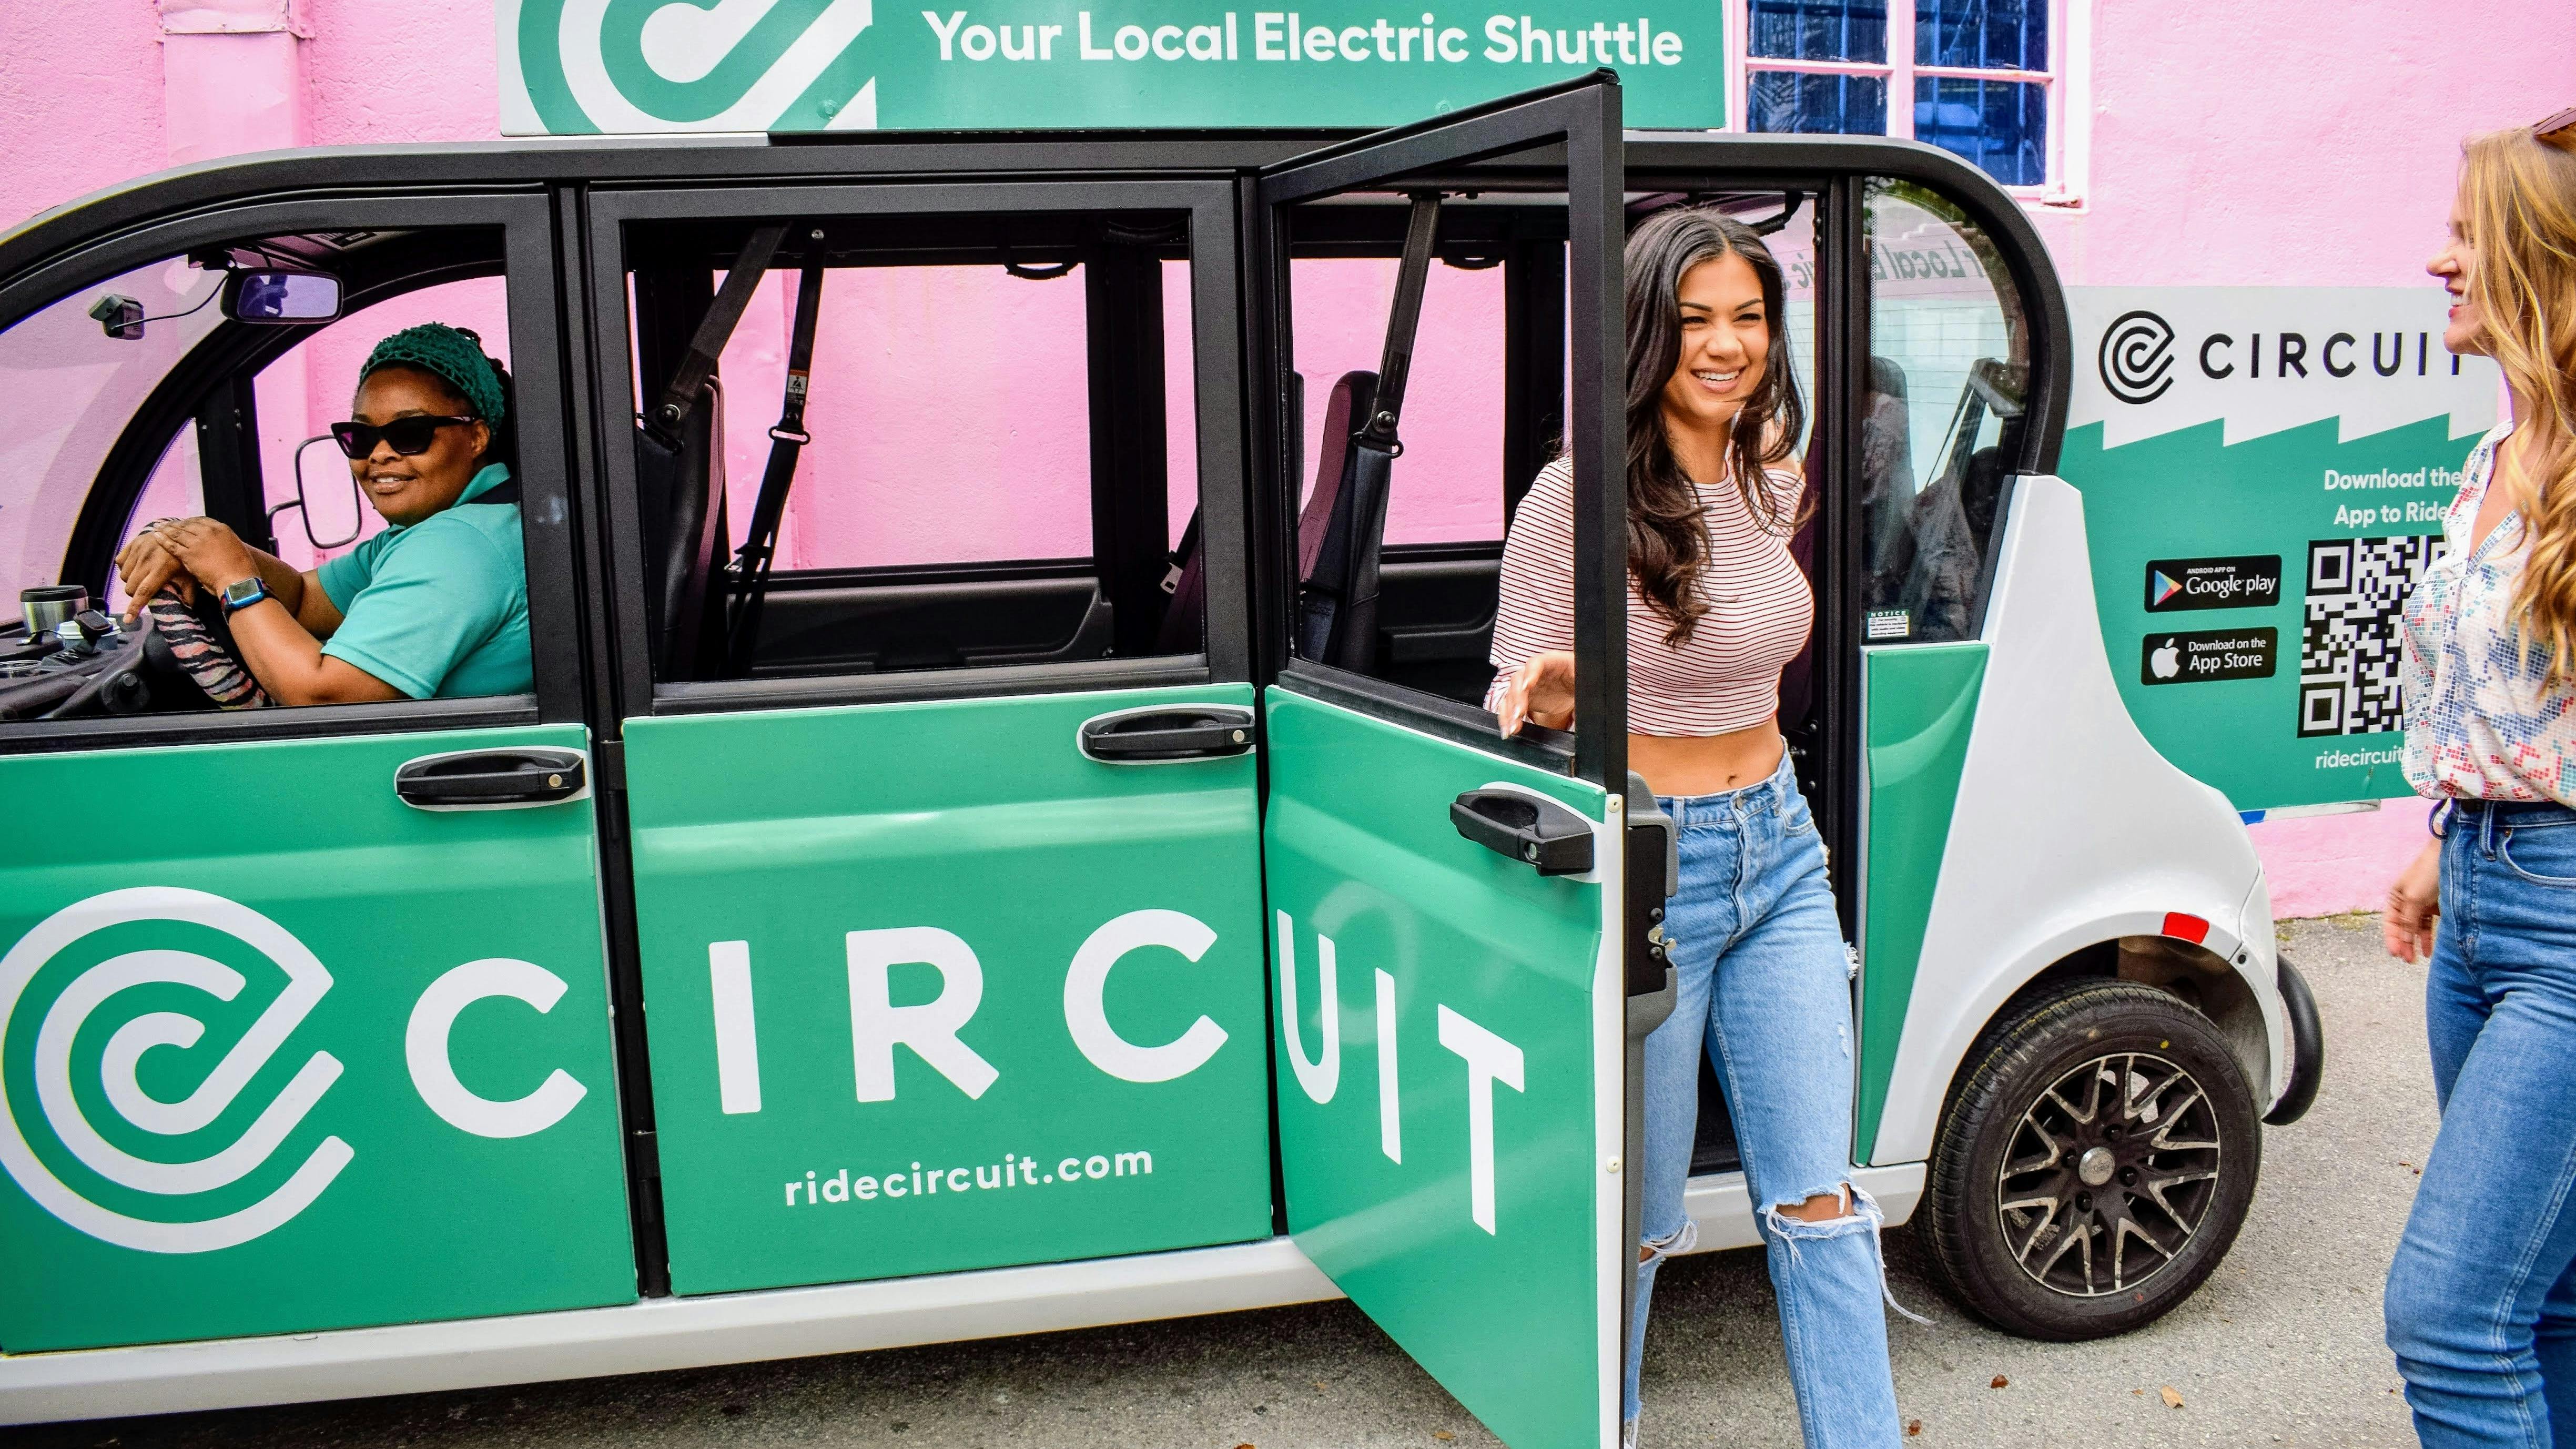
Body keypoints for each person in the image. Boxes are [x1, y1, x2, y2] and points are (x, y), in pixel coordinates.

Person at [1489, 206, 1906, 1448]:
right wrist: (1557, 689)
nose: (1726, 344)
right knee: (1639, 1217)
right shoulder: (1572, 497)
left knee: (1821, 1199)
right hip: (1653, 867)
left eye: (1748, 317)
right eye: (1692, 321)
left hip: (1779, 849)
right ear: (1641, 335)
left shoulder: (1769, 472)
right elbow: (1514, 691)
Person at [2380, 107, 2576, 1448]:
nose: (2439, 262)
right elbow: (2510, 702)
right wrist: (2440, 841)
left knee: (2449, 1316)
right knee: (2544, 1298)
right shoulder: (2492, 461)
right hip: (2481, 886)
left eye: (2468, 237)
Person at [116, 322, 532, 705]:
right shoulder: (456, 525)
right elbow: (303, 598)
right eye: (360, 436)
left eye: (410, 433)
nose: (379, 454)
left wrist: (232, 580)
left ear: (476, 437)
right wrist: (204, 548)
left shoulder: (456, 547)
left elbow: (324, 697)